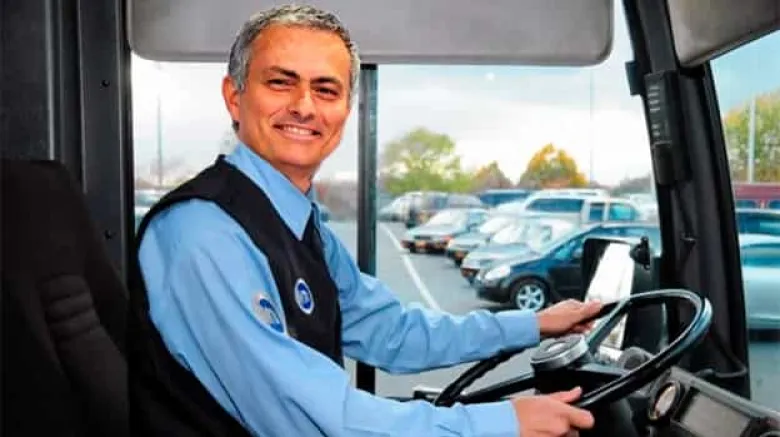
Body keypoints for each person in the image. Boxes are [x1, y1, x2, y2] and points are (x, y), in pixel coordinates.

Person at [131, 5, 603, 437]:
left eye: (325, 89)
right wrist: (501, 423)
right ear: (234, 97)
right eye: (280, 82)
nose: (304, 106)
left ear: (344, 111)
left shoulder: (300, 224)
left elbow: (393, 333)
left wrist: (533, 324)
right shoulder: (201, 232)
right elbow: (311, 417)